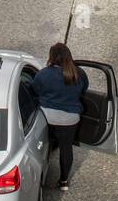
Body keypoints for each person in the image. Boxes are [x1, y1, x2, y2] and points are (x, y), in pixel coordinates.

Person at [30, 44, 89, 190]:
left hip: (47, 117)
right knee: (66, 148)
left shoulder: (44, 74)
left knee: (42, 144)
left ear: (51, 57)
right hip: (70, 119)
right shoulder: (79, 73)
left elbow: (34, 90)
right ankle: (63, 181)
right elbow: (84, 89)